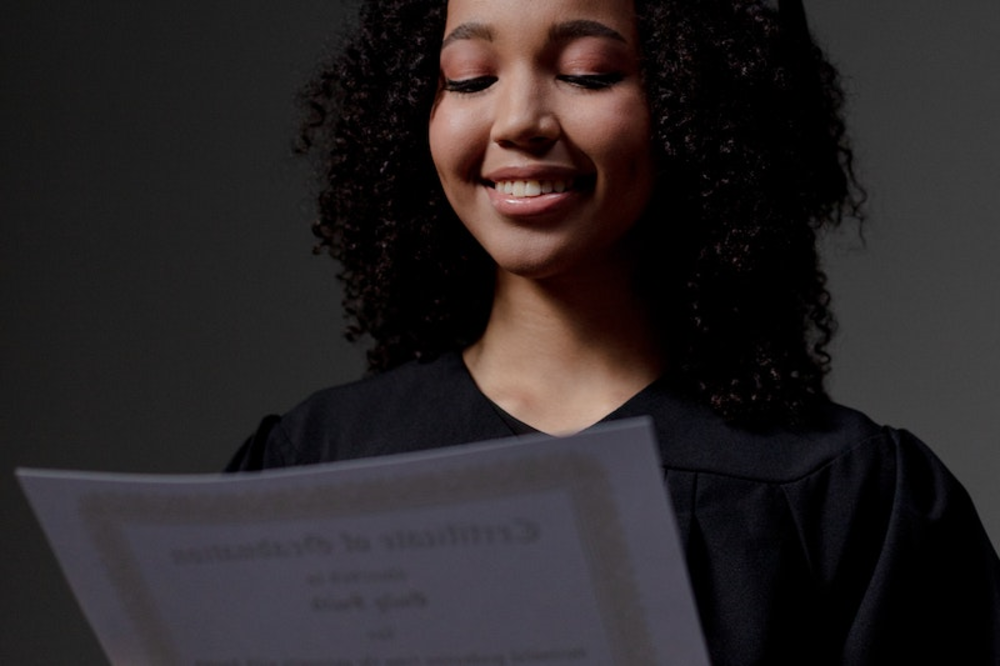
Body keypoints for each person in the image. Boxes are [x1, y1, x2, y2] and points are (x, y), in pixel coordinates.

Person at [228, 0, 1000, 662]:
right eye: (467, 78)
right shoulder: (312, 467)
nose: (519, 120)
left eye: (589, 72)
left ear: (698, 98)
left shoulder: (845, 499)